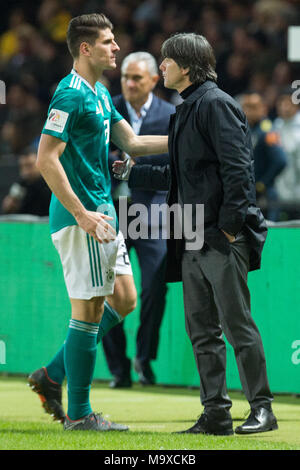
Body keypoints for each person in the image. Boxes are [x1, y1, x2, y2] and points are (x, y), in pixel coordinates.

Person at [113, 33, 278, 436]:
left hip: (218, 237)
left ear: (185, 67)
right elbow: (183, 175)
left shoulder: (216, 104)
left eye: (166, 61)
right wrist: (134, 172)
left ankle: (263, 409)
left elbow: (240, 172)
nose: (162, 67)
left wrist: (228, 229)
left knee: (237, 326)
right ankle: (216, 413)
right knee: (203, 331)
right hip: (191, 236)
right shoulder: (189, 107)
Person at [27, 13, 168, 433]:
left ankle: (52, 375)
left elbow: (133, 143)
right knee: (87, 313)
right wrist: (81, 214)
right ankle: (79, 414)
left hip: (103, 214)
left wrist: (189, 133)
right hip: (82, 217)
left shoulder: (101, 93)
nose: (116, 47)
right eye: (108, 42)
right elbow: (45, 159)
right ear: (85, 48)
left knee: (125, 300)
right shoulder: (69, 96)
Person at [102, 52, 175, 388]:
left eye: (137, 78)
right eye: (125, 78)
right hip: (110, 211)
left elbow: (175, 163)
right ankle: (118, 370)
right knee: (106, 290)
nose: (129, 84)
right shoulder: (104, 108)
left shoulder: (171, 113)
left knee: (154, 291)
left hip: (154, 213)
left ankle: (143, 361)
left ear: (153, 81)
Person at [240, 92, 287, 221]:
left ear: (263, 109)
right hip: (249, 192)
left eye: (253, 107)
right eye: (245, 107)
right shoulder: (246, 129)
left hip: (265, 194)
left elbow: (281, 161)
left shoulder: (267, 131)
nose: (247, 111)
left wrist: (262, 183)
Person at [273, 88, 300, 220]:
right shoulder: (275, 126)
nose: (284, 107)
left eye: (288, 103)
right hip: (279, 195)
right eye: (281, 103)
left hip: (297, 195)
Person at [1, 147, 51, 216]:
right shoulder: (20, 186)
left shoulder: (50, 186)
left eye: (29, 166)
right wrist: (9, 207)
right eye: (22, 167)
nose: (25, 171)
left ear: (40, 164)